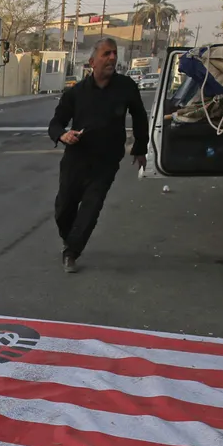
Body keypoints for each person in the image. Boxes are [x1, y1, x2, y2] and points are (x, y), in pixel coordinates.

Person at [47, 38, 149, 273]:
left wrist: (140, 148)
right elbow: (56, 123)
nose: (112, 58)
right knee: (64, 209)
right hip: (76, 158)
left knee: (91, 207)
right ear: (92, 62)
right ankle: (70, 237)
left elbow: (140, 116)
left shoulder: (126, 87)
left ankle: (71, 252)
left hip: (106, 160)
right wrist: (63, 136)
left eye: (114, 54)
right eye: (106, 54)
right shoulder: (76, 93)